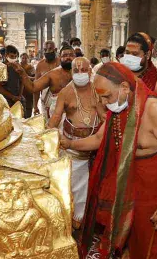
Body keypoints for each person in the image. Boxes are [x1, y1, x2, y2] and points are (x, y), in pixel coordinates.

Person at [61, 62, 157, 258]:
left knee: (152, 248)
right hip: (128, 189)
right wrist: (68, 143)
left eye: (107, 96)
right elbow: (98, 139)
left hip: (156, 194)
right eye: (101, 98)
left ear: (123, 87)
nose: (104, 103)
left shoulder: (156, 110)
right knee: (129, 241)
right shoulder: (119, 108)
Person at [47, 57, 107, 229]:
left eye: (84, 70)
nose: (80, 74)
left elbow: (104, 115)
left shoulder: (98, 89)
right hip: (72, 146)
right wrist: (46, 134)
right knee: (74, 187)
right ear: (71, 72)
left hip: (96, 146)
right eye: (76, 70)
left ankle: (93, 221)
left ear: (90, 71)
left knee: (96, 186)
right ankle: (76, 222)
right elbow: (56, 117)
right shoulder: (66, 92)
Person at [13, 45, 74, 121]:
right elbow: (33, 87)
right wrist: (23, 73)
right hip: (57, 116)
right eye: (65, 55)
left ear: (75, 56)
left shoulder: (83, 72)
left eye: (71, 55)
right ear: (60, 57)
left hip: (77, 114)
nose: (68, 57)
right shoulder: (52, 74)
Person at [121, 32, 157, 104]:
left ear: (148, 55)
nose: (130, 57)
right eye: (127, 53)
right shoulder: (117, 77)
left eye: (135, 54)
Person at [32, 41, 60, 116]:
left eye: (50, 49)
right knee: (47, 125)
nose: (47, 52)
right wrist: (35, 107)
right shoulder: (40, 65)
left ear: (55, 50)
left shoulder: (61, 63)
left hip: (61, 100)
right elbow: (36, 87)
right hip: (45, 102)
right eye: (45, 50)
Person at [20, 53, 35, 118]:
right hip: (20, 89)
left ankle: (28, 117)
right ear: (20, 58)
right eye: (23, 58)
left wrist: (26, 77)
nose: (24, 59)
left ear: (28, 59)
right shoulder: (18, 66)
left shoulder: (31, 67)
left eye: (26, 58)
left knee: (29, 104)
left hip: (28, 89)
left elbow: (35, 77)